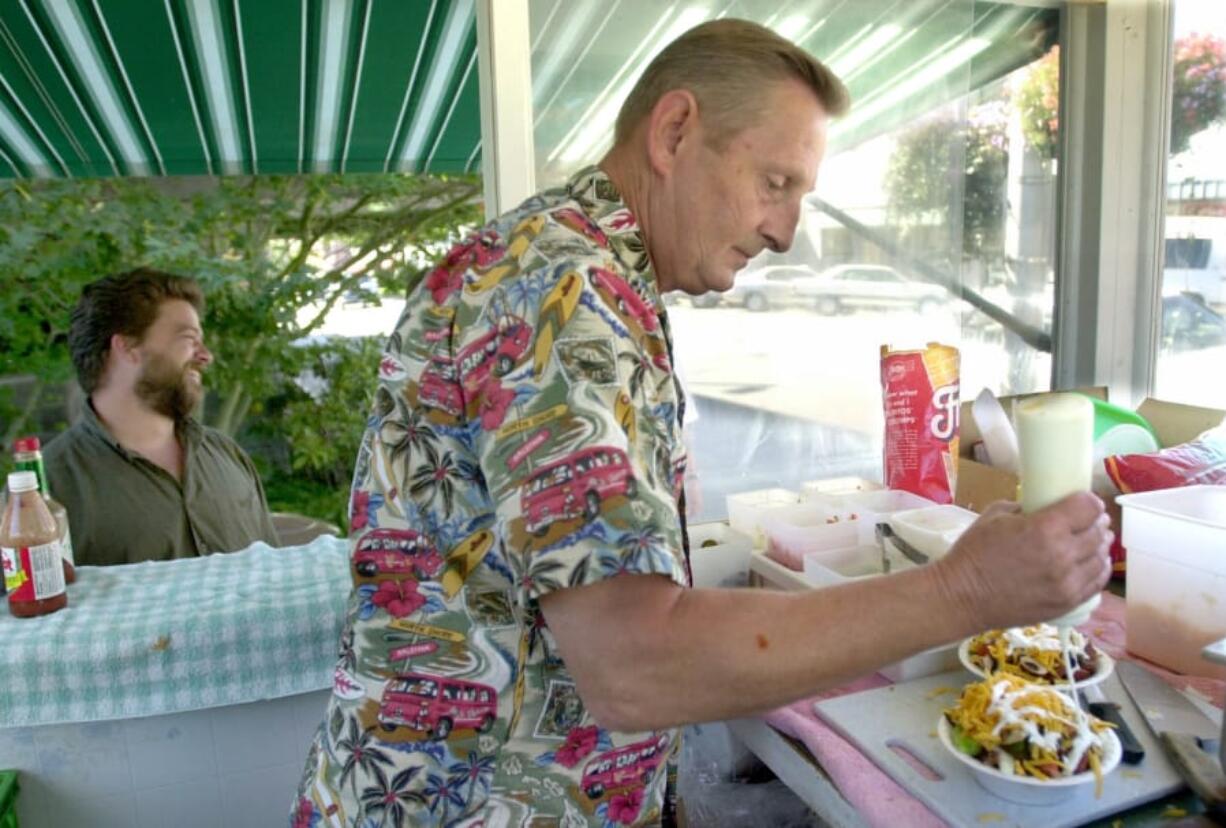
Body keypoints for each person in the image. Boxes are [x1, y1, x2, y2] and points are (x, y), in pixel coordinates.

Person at [293, 19, 1112, 827]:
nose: (785, 233)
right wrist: (963, 588)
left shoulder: (573, 266)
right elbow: (635, 666)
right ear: (676, 130)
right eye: (775, 183)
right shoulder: (562, 294)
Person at [44, 268, 278, 566]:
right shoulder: (49, 489)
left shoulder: (228, 456)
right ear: (127, 347)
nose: (206, 356)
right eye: (189, 338)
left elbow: (277, 578)